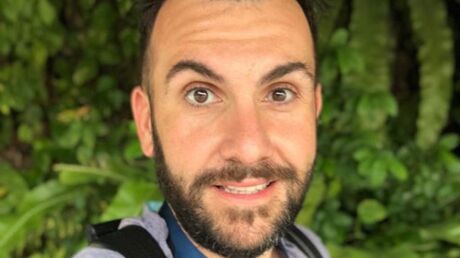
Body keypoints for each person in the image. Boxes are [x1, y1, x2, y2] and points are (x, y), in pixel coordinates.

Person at [74, 0, 328, 257]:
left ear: (314, 110)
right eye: (200, 94)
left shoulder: (306, 246)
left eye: (280, 93)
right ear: (147, 122)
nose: (248, 149)